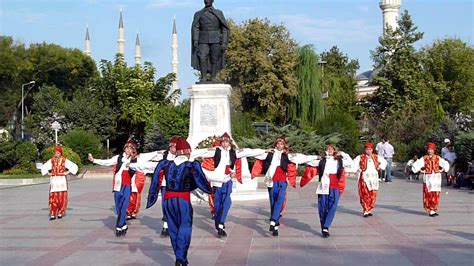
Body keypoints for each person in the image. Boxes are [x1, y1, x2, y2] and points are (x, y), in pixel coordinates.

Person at [146, 137, 211, 266]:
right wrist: (208, 191)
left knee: (173, 228)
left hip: (168, 201)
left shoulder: (165, 164)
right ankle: (181, 257)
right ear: (187, 152)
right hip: (183, 200)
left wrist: (152, 196)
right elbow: (201, 180)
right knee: (185, 226)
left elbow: (147, 170)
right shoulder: (191, 165)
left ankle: (179, 258)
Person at [195, 132, 265, 238]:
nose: (225, 144)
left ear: (229, 143)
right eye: (223, 142)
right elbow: (202, 152)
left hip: (227, 180)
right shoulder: (216, 151)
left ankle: (221, 223)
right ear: (221, 142)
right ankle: (218, 224)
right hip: (217, 181)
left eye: (227, 142)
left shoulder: (234, 152)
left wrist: (264, 151)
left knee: (227, 202)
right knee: (218, 205)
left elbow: (249, 152)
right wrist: (184, 152)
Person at [88, 138, 159, 236]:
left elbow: (150, 157)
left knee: (124, 205)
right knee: (118, 207)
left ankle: (119, 225)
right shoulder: (118, 158)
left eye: (131, 148)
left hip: (127, 186)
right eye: (127, 148)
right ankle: (123, 224)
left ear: (133, 150)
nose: (129, 150)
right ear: (124, 149)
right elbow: (107, 162)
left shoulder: (136, 159)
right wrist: (94, 160)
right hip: (118, 186)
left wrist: (162, 153)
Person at [299, 144, 353, 238]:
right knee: (322, 207)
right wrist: (316, 157)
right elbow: (308, 161)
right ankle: (324, 226)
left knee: (333, 206)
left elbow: (350, 162)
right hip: (323, 185)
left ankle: (326, 225)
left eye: (332, 149)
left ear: (335, 151)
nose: (330, 150)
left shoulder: (339, 161)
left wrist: (343, 153)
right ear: (325, 150)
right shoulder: (321, 161)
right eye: (328, 149)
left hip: (334, 185)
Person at [251, 136, 300, 236]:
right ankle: (275, 226)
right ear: (275, 145)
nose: (279, 145)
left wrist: (316, 157)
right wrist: (264, 150)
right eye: (278, 144)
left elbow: (302, 158)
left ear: (284, 145)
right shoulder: (269, 154)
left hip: (282, 181)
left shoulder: (287, 155)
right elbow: (255, 153)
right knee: (273, 202)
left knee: (280, 200)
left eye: (281, 144)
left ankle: (273, 220)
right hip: (271, 181)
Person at [191, 0, 229, 82]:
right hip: (202, 39)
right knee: (202, 57)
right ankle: (203, 77)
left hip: (215, 39)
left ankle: (213, 77)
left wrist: (224, 42)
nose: (206, 1)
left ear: (212, 0)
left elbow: (224, 28)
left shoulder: (218, 13)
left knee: (214, 58)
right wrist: (195, 40)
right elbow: (195, 27)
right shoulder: (198, 14)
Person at [411, 143, 450, 217]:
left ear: (434, 150)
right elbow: (416, 164)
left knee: (436, 193)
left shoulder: (437, 158)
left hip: (436, 178)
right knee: (428, 194)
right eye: (429, 149)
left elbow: (445, 164)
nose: (430, 151)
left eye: (431, 149)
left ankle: (434, 209)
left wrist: (442, 169)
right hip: (428, 178)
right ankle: (430, 209)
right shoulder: (425, 158)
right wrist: (420, 170)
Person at [41, 145, 78, 220]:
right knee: (53, 198)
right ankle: (53, 213)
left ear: (61, 153)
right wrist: (48, 173)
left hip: (62, 181)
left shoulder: (64, 160)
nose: (56, 154)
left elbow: (74, 167)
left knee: (61, 198)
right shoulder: (51, 160)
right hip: (54, 181)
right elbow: (44, 167)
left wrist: (67, 172)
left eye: (58, 153)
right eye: (55, 153)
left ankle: (60, 212)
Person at [352, 143, 387, 217]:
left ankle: (370, 208)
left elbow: (384, 162)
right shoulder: (360, 157)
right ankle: (365, 210)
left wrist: (379, 167)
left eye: (370, 149)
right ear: (365, 150)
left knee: (373, 194)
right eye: (367, 149)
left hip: (374, 178)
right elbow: (354, 164)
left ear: (372, 150)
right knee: (365, 194)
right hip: (364, 178)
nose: (368, 151)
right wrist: (358, 169)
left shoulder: (376, 157)